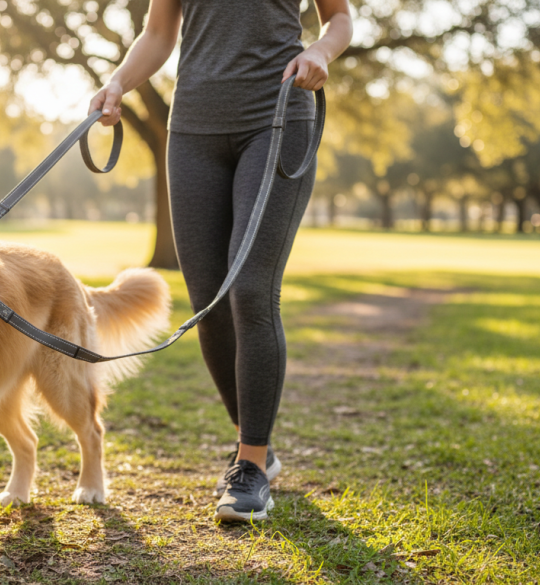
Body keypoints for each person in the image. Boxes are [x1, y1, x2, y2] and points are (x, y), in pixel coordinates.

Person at [90, 0, 352, 521]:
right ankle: (255, 444)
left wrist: (321, 49)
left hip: (277, 116)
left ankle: (250, 464)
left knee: (251, 289)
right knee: (209, 302)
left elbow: (339, 17)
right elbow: (159, 34)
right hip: (192, 133)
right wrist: (118, 82)